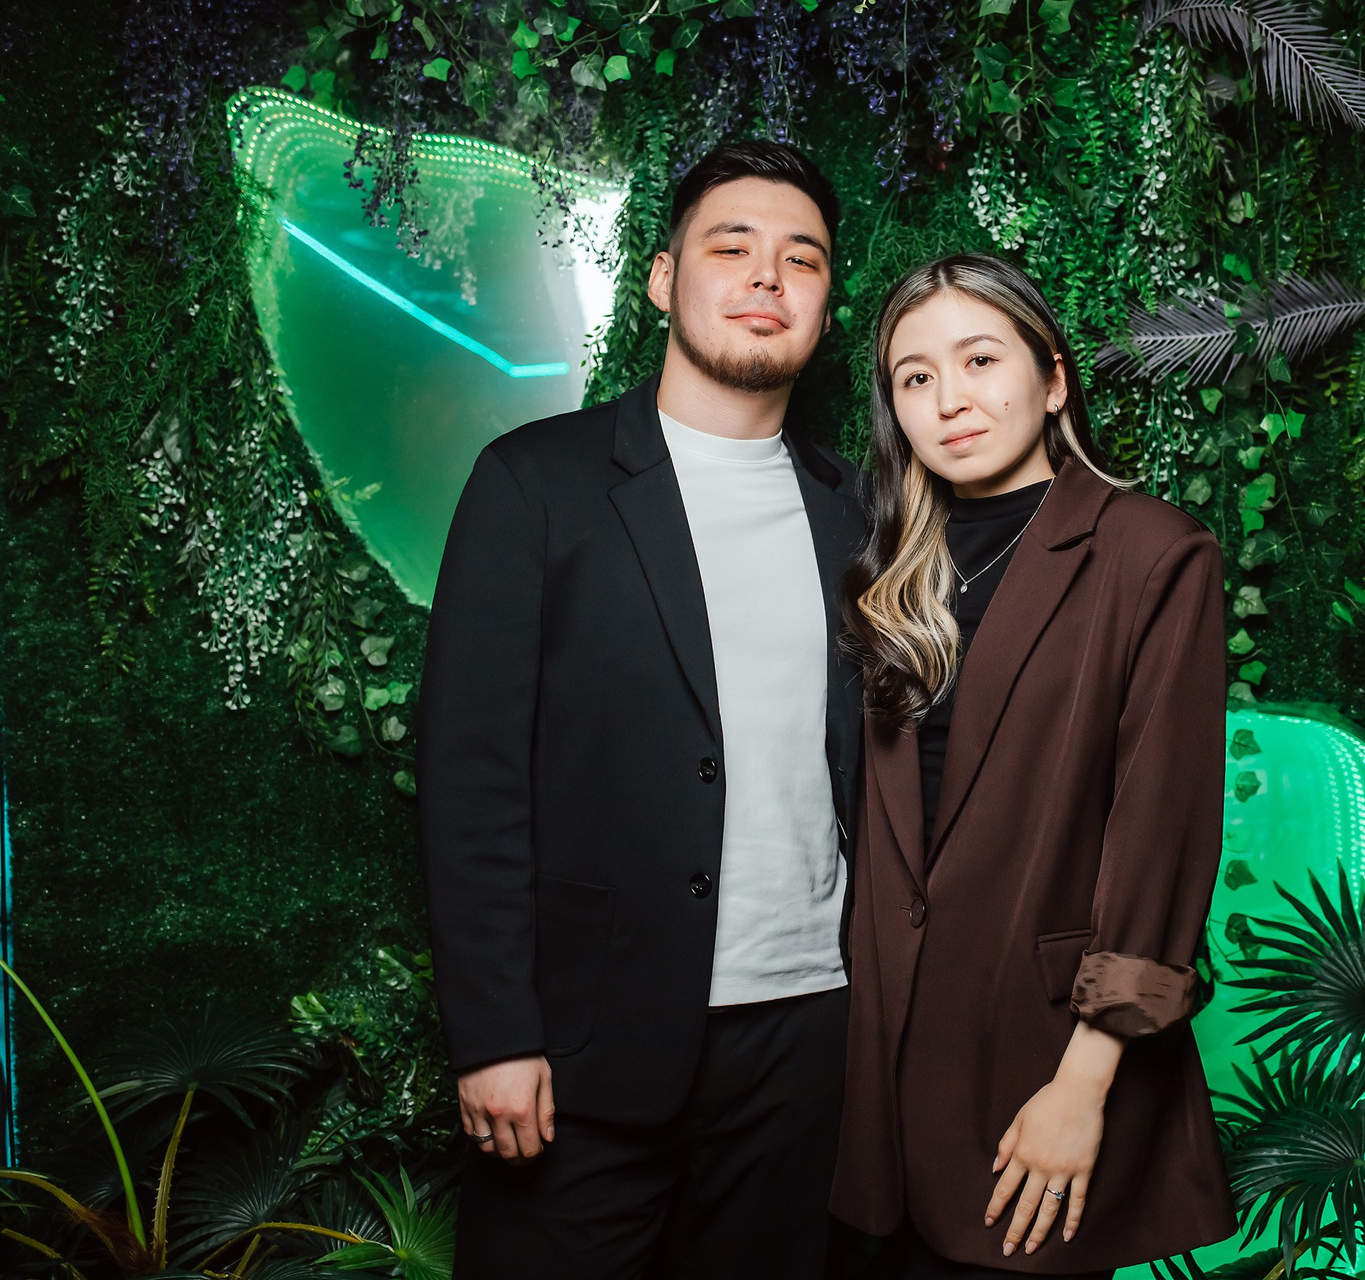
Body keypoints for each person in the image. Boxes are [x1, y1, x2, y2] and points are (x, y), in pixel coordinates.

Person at [416, 140, 865, 1280]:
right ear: (664, 279)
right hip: (582, 1046)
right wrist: (494, 1033)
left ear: (825, 306)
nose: (767, 277)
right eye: (733, 247)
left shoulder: (859, 515)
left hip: (805, 1037)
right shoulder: (535, 483)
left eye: (802, 259)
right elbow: (471, 778)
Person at [830, 254, 1235, 1277]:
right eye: (916, 376)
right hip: (875, 1074)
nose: (949, 399)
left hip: (1041, 1062)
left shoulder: (1152, 553)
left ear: (1052, 379)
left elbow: (1161, 835)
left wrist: (1084, 1083)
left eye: (979, 360)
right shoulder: (885, 571)